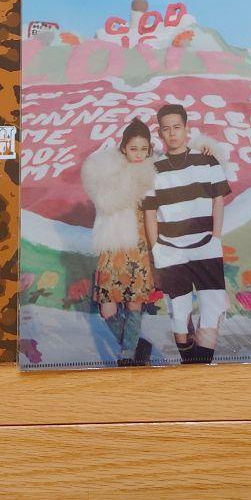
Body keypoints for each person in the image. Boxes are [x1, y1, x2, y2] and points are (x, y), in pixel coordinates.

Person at [143, 104, 231, 365]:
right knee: (179, 313)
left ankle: (200, 367)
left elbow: (218, 200)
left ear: (186, 129)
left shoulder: (207, 160)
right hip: (170, 249)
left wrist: (215, 237)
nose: (172, 133)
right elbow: (150, 212)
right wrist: (156, 248)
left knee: (212, 308)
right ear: (160, 132)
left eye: (177, 127)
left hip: (205, 245)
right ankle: (189, 366)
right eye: (166, 129)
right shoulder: (152, 170)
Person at [79, 118, 158, 366]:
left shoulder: (152, 174)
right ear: (123, 148)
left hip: (139, 248)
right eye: (133, 148)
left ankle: (127, 355)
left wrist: (204, 147)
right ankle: (136, 346)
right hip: (112, 248)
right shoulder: (107, 172)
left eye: (144, 149)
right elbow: (104, 201)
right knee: (107, 309)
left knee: (135, 303)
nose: (139, 154)